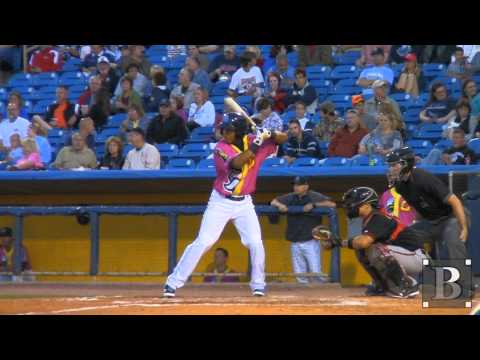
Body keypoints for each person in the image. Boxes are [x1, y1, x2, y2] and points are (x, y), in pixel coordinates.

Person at [163, 113, 288, 298]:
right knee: (204, 241)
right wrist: (258, 141)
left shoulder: (255, 140)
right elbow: (238, 163)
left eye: (228, 130)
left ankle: (258, 285)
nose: (224, 133)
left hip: (244, 202)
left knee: (256, 243)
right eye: (224, 129)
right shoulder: (221, 148)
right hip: (221, 201)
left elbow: (284, 138)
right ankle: (172, 282)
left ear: (238, 132)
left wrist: (269, 133)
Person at [329, 186, 426, 298]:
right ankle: (383, 286)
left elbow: (363, 242)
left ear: (366, 206)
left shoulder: (379, 218)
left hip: (417, 257)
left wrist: (338, 242)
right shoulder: (370, 219)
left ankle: (407, 286)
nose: (350, 207)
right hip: (404, 255)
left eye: (353, 204)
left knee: (375, 248)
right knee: (362, 250)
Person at [386, 147, 469, 260]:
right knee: (404, 236)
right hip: (433, 221)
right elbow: (417, 207)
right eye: (390, 166)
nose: (391, 169)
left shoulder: (422, 177)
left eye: (394, 165)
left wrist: (463, 227)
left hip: (453, 215)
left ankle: (462, 275)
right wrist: (414, 225)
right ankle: (427, 272)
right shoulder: (400, 186)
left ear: (406, 164)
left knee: (452, 235)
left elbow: (455, 201)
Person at [270, 176, 336, 284]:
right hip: (295, 241)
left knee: (315, 272)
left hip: (310, 241)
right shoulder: (291, 197)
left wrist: (314, 204)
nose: (296, 187)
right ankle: (303, 297)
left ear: (306, 186)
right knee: (299, 274)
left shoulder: (313, 195)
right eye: (295, 185)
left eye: (299, 185)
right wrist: (280, 205)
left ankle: (321, 295)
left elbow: (332, 204)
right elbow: (273, 201)